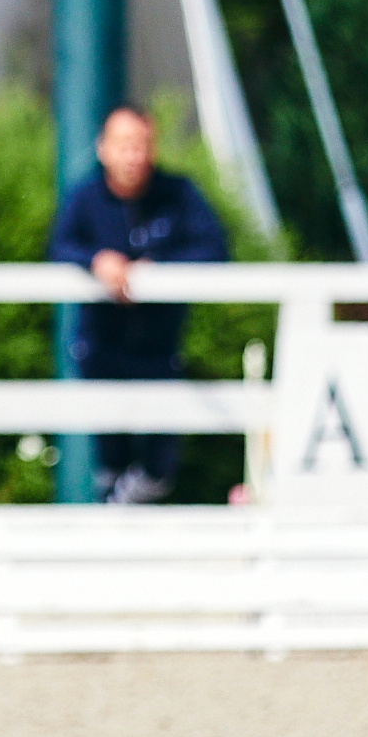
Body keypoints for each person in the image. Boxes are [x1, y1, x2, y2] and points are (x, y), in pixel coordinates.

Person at [44, 106, 230, 503]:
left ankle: (120, 527)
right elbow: (58, 246)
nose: (135, 156)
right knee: (111, 463)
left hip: (159, 349)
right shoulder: (84, 197)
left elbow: (214, 247)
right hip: (102, 347)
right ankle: (117, 543)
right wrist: (97, 261)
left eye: (142, 145)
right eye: (125, 146)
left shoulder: (178, 193)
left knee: (158, 467)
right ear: (103, 149)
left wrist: (156, 270)